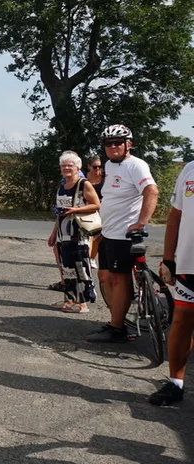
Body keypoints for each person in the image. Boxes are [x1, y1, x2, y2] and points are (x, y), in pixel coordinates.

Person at [86, 124, 159, 343]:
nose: (113, 147)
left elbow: (151, 191)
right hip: (109, 232)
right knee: (104, 276)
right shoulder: (109, 164)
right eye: (109, 144)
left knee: (119, 279)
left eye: (118, 142)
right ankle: (115, 319)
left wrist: (142, 222)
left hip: (123, 235)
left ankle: (117, 328)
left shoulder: (136, 165)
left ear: (129, 144)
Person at [150, 160, 194, 406]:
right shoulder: (189, 169)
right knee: (182, 321)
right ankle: (176, 383)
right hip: (188, 263)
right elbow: (175, 216)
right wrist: (168, 258)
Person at [46, 151, 100, 313]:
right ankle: (69, 300)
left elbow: (96, 204)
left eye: (70, 165)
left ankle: (82, 304)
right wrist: (54, 233)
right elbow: (59, 212)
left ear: (78, 167)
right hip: (64, 234)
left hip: (78, 234)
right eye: (63, 166)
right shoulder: (62, 186)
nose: (66, 168)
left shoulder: (83, 184)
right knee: (67, 268)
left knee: (80, 267)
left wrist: (77, 209)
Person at [85, 154, 105, 265]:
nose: (97, 169)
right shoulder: (84, 178)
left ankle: (92, 258)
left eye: (99, 166)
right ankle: (87, 258)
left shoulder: (105, 177)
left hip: (103, 208)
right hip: (89, 208)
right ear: (89, 166)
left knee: (99, 236)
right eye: (95, 167)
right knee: (90, 235)